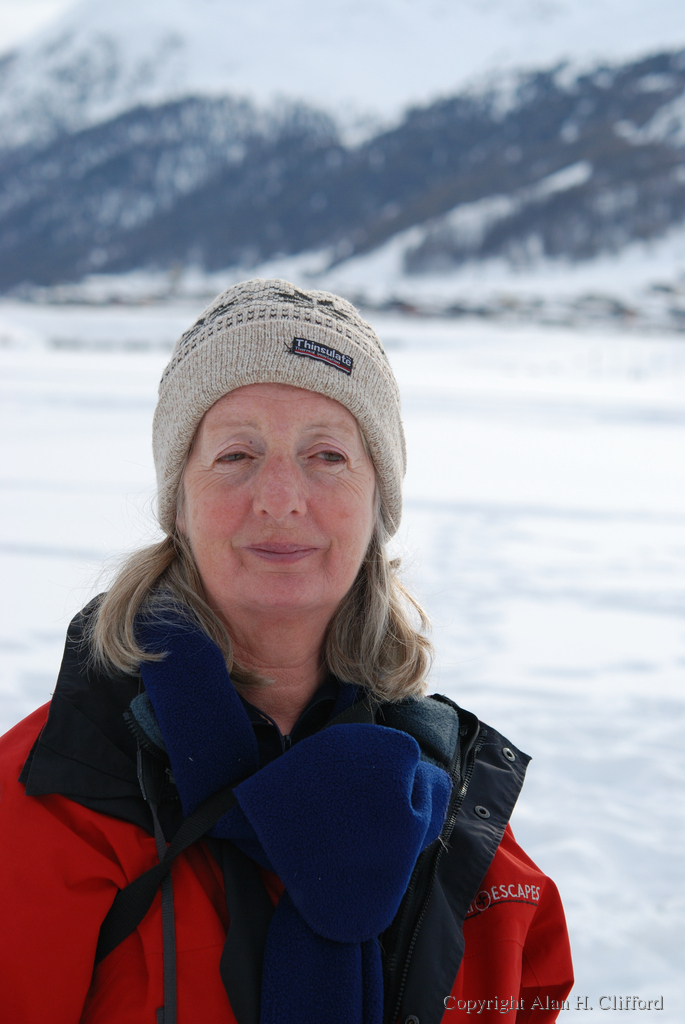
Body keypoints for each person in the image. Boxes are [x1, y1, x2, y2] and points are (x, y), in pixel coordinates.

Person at [0, 279, 573, 1024]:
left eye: (327, 455)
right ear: (179, 503)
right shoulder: (52, 802)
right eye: (236, 454)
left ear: (377, 503)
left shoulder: (462, 828)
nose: (279, 497)